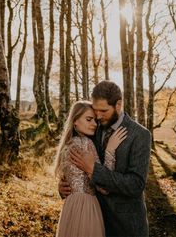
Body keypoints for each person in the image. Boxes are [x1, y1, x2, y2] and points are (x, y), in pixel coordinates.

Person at [59, 80, 152, 237]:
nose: (98, 116)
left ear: (118, 105)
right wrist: (65, 187)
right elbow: (76, 168)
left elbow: (136, 184)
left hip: (126, 226)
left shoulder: (140, 135)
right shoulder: (93, 128)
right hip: (92, 219)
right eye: (96, 111)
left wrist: (94, 170)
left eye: (103, 110)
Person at [54, 100, 127, 237]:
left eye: (95, 121)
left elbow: (68, 181)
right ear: (75, 121)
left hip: (70, 207)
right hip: (86, 206)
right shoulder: (86, 143)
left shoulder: (67, 146)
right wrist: (110, 150)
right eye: (89, 119)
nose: (94, 124)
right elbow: (103, 187)